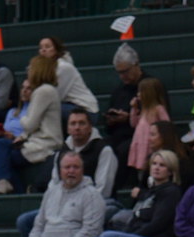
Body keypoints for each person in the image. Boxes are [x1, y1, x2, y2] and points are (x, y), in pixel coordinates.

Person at [15, 108, 117, 237]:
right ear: (68, 128)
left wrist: (74, 209)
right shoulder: (61, 152)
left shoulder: (104, 150)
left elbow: (104, 190)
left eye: (82, 123)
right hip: (63, 206)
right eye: (73, 124)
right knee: (24, 221)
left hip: (93, 207)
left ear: (90, 126)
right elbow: (54, 184)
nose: (77, 127)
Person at [0, 55, 62, 195]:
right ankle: (14, 189)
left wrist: (23, 118)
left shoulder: (43, 91)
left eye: (30, 67)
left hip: (45, 143)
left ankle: (10, 187)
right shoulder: (46, 90)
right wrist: (22, 137)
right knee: (4, 155)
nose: (28, 70)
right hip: (38, 140)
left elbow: (29, 124)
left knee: (2, 149)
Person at [104, 43, 170, 190]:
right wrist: (112, 119)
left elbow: (164, 121)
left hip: (142, 136)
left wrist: (128, 117)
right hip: (119, 133)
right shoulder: (118, 90)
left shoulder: (151, 86)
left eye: (125, 71)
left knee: (122, 150)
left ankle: (117, 189)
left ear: (136, 65)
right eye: (119, 73)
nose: (122, 76)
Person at [38, 35, 99, 125]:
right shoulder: (46, 69)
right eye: (41, 47)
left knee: (48, 110)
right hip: (68, 105)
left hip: (86, 110)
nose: (43, 50)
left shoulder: (63, 68)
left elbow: (56, 96)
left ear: (56, 49)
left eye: (47, 47)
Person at [127, 77, 169, 182]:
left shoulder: (158, 109)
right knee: (141, 173)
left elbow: (166, 125)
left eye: (141, 92)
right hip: (140, 144)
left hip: (150, 146)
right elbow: (133, 123)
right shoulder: (143, 110)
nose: (138, 94)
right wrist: (134, 108)